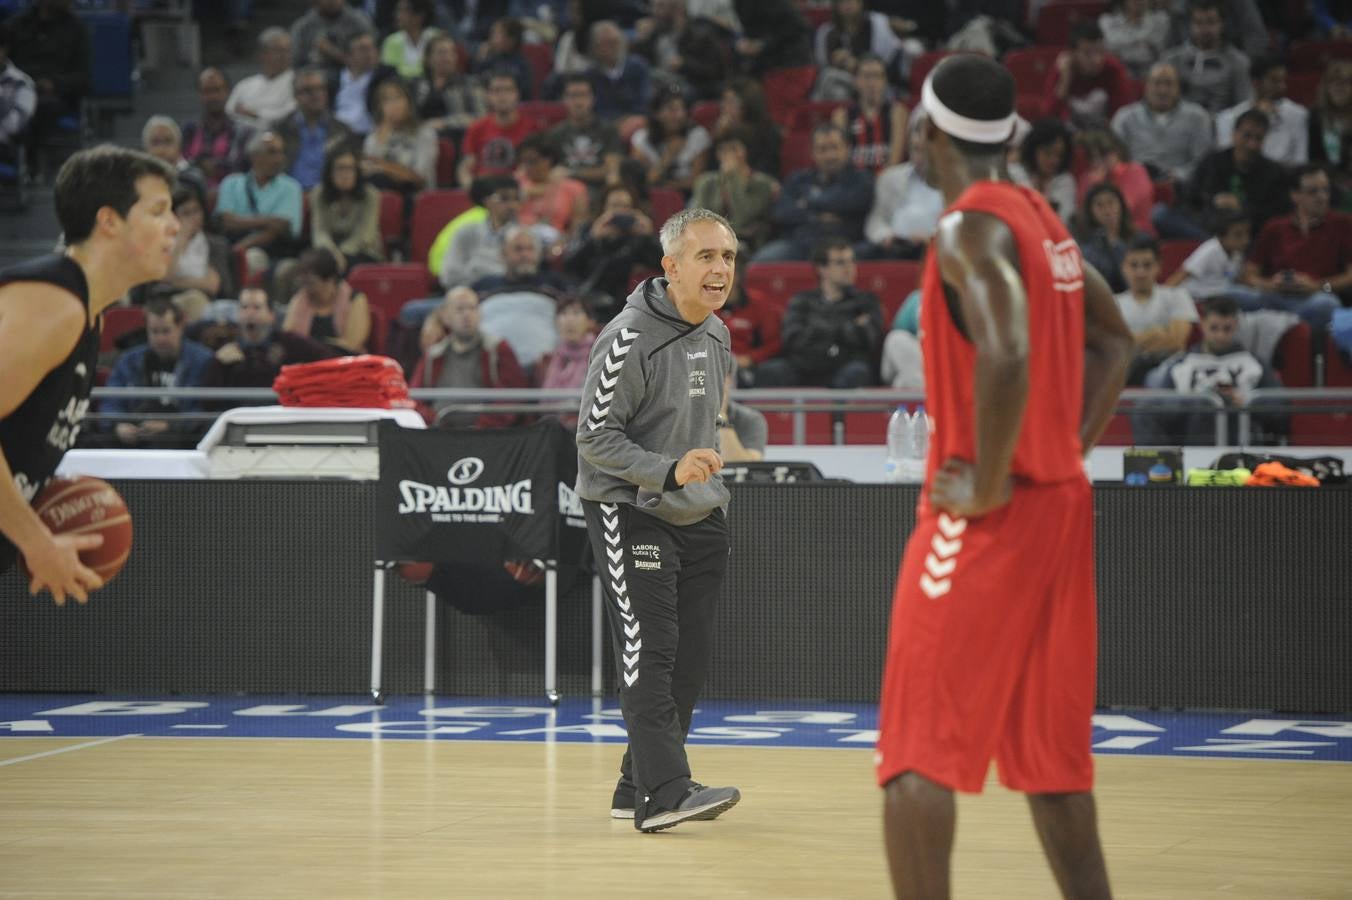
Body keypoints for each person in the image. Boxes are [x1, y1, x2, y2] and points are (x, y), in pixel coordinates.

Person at [877, 54, 1132, 900]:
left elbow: (1009, 348)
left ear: (927, 131)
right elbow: (1114, 337)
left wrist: (988, 481)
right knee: (1053, 763)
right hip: (1061, 503)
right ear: (1010, 135)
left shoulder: (967, 229)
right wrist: (1069, 443)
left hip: (989, 513)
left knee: (915, 753)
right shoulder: (1044, 221)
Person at [574, 207, 741, 833]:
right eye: (706, 257)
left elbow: (703, 422)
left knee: (690, 659)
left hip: (701, 512)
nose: (720, 268)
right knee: (652, 652)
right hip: (631, 509)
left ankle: (633, 785)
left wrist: (701, 476)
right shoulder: (627, 336)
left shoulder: (718, 332)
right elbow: (594, 438)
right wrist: (669, 470)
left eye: (727, 256)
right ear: (671, 267)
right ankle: (664, 795)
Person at [0, 145, 179, 604]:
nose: (174, 226)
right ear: (109, 221)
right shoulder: (55, 303)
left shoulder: (87, 312)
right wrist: (35, 539)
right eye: (158, 211)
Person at [1135, 295, 1284, 444]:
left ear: (1236, 325)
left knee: (1216, 405)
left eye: (1227, 329)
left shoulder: (1255, 364)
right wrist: (1192, 400)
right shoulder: (1181, 364)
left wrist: (1246, 403)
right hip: (1190, 436)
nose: (1220, 335)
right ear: (1202, 324)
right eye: (1214, 328)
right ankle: (1158, 463)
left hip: (1239, 438)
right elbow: (1163, 408)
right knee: (1147, 407)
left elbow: (1279, 410)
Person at [755, 237, 883, 388]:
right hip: (804, 365)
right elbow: (792, 338)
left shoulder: (866, 301)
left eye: (852, 261)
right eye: (841, 262)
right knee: (771, 371)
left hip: (845, 364)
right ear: (822, 268)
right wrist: (847, 327)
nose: (850, 268)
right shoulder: (801, 300)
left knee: (858, 372)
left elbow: (869, 339)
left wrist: (815, 329)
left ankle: (840, 413)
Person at [100, 298, 214, 449]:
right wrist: (117, 425)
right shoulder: (130, 360)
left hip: (181, 439)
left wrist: (170, 426)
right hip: (135, 435)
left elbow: (202, 410)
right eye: (154, 331)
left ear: (180, 327)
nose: (160, 338)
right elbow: (111, 401)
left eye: (166, 331)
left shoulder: (203, 360)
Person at [408, 286, 528, 427]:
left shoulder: (499, 349)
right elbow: (414, 399)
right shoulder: (433, 356)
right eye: (460, 309)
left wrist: (482, 426)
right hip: (439, 434)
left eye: (472, 308)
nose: (467, 315)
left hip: (488, 436)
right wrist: (434, 422)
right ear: (446, 316)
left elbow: (511, 399)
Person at [201, 287, 339, 398]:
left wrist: (297, 375)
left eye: (257, 307)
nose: (250, 313)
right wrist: (217, 364)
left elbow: (327, 358)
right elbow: (207, 401)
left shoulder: (289, 343)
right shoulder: (223, 343)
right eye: (244, 307)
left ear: (271, 315)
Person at [1114, 234, 1199, 383]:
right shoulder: (1114, 303)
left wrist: (1133, 342)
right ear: (1123, 268)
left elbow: (1177, 341)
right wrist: (1157, 333)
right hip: (1125, 370)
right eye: (1134, 265)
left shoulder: (1177, 295)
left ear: (1158, 267)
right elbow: (1113, 348)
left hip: (1168, 370)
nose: (1140, 272)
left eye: (1147, 265)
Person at [689, 127, 779, 253]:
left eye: (733, 149)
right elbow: (698, 218)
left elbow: (743, 216)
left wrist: (733, 177)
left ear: (746, 152)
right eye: (722, 149)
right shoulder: (707, 182)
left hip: (747, 243)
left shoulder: (762, 183)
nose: (727, 154)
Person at [1214, 56, 1309, 167]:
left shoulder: (1298, 115)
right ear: (1256, 83)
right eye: (1275, 81)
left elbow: (1300, 163)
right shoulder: (1227, 119)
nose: (1282, 87)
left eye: (1283, 81)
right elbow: (1227, 164)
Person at [1044, 21, 1135, 132]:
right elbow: (1049, 118)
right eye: (1087, 53)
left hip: (1107, 134)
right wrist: (1065, 79)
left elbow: (1123, 115)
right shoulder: (1062, 69)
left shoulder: (1113, 69)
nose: (1096, 60)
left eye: (1100, 52)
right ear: (1072, 54)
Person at [272, 66, 351, 191]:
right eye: (308, 90)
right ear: (295, 96)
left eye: (321, 89)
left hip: (328, 197)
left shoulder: (342, 130)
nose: (316, 94)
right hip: (288, 194)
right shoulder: (280, 129)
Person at [282, 247, 371, 353]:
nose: (306, 288)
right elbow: (288, 336)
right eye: (303, 281)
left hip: (346, 362)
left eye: (311, 282)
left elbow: (353, 344)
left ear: (330, 280)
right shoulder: (300, 299)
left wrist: (316, 346)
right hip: (308, 363)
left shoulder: (355, 300)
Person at [310, 142, 384, 270]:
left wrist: (342, 253)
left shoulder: (370, 195)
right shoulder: (319, 194)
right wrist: (333, 254)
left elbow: (366, 235)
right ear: (330, 172)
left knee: (346, 266)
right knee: (314, 267)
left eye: (351, 169)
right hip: (328, 253)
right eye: (340, 168)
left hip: (362, 252)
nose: (346, 174)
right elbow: (320, 232)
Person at [629, 86, 712, 196]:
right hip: (650, 197)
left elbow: (696, 182)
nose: (680, 115)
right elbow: (645, 181)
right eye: (672, 109)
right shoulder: (641, 138)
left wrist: (670, 186)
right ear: (656, 113)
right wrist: (668, 156)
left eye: (683, 109)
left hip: (688, 197)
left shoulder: (698, 135)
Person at [362, 78, 438, 192]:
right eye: (386, 100)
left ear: (408, 102)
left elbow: (419, 178)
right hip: (380, 193)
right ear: (380, 107)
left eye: (398, 97)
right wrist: (382, 136)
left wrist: (383, 168)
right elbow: (368, 172)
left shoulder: (425, 134)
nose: (394, 105)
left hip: (415, 196)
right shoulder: (373, 138)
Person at [225, 28, 297, 131]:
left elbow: (288, 114)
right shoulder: (245, 84)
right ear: (263, 54)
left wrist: (255, 114)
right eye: (278, 50)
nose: (284, 55)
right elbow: (230, 110)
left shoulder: (297, 82)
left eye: (287, 50)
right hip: (242, 135)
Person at [380, 0, 442, 79]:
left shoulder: (437, 38)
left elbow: (439, 69)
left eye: (404, 11)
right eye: (398, 10)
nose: (398, 15)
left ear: (419, 15)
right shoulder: (391, 42)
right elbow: (389, 72)